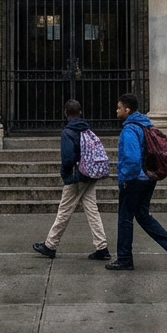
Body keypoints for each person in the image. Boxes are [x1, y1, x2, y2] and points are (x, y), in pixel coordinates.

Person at [106, 93, 167, 271]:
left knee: (125, 218)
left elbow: (132, 158)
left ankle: (124, 258)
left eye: (119, 107)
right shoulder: (146, 125)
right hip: (149, 177)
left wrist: (126, 178)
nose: (116, 110)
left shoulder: (129, 129)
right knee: (142, 215)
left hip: (135, 179)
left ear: (127, 110)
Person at [33, 99, 111, 260]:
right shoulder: (86, 129)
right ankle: (101, 246)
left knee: (64, 210)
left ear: (65, 112)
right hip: (89, 173)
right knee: (92, 210)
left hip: (76, 176)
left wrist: (65, 174)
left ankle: (50, 245)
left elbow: (68, 159)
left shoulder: (68, 132)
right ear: (80, 112)